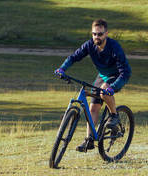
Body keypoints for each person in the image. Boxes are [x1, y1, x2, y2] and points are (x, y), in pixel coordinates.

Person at [55, 19, 131, 152]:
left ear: (106, 33)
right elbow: (74, 57)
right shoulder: (89, 45)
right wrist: (62, 69)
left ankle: (114, 115)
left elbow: (124, 72)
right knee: (92, 107)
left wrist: (112, 87)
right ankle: (89, 140)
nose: (97, 37)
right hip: (102, 76)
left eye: (100, 34)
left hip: (118, 75)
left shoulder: (114, 47)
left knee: (103, 91)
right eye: (94, 34)